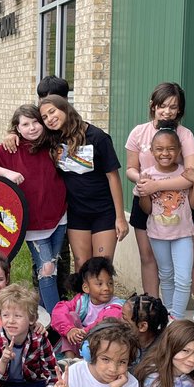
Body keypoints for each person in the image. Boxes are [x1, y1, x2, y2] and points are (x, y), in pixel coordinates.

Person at [126, 83, 194, 332]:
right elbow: (131, 168)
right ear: (153, 105)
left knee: (193, 260)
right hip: (146, 201)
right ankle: (153, 310)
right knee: (148, 258)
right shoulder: (139, 133)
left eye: (174, 107)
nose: (168, 111)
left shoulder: (184, 135)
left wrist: (155, 186)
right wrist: (142, 183)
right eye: (163, 105)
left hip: (180, 205)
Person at [0, 104, 67, 314]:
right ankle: (59, 326)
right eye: (25, 124)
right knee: (46, 271)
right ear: (17, 128)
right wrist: (6, 173)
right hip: (33, 221)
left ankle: (40, 319)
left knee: (50, 270)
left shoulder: (51, 142)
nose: (31, 128)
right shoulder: (11, 148)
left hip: (58, 215)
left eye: (35, 122)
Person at [39, 95, 128, 268]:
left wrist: (120, 218)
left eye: (52, 112)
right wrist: (12, 135)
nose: (50, 119)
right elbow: (26, 132)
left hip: (103, 212)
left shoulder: (98, 137)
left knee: (101, 268)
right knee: (82, 267)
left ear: (65, 108)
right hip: (76, 213)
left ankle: (102, 297)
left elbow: (113, 177)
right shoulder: (52, 140)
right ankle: (83, 297)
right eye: (44, 117)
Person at [138, 127, 194, 320]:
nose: (165, 153)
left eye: (170, 148)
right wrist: (144, 191)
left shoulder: (186, 173)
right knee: (165, 275)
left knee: (183, 279)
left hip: (183, 233)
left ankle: (176, 318)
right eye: (159, 149)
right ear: (151, 150)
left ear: (179, 150)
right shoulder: (147, 175)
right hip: (157, 234)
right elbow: (147, 209)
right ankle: (167, 315)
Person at [51, 257, 124, 357]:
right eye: (100, 284)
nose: (106, 288)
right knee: (71, 316)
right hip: (80, 341)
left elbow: (104, 323)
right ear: (86, 288)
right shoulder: (82, 301)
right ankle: (69, 360)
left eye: (110, 283)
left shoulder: (116, 305)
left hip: (100, 347)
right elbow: (59, 311)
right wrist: (70, 329)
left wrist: (84, 332)